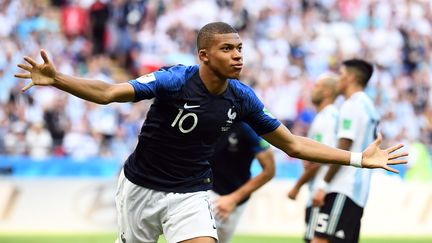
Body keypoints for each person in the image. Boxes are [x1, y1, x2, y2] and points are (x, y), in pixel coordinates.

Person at [15, 22, 407, 243]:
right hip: (140, 187)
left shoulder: (242, 97)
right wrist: (59, 80)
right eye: (227, 49)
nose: (238, 55)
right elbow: (110, 92)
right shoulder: (173, 80)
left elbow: (292, 144)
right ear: (204, 56)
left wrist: (360, 158)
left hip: (191, 192)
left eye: (239, 48)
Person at [311, 59, 381, 243]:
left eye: (341, 75)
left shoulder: (352, 105)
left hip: (344, 186)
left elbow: (343, 148)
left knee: (319, 240)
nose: (338, 81)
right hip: (358, 189)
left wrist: (323, 184)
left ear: (350, 78)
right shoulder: (369, 106)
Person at [287, 73, 340, 243]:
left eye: (316, 86)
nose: (312, 90)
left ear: (326, 92)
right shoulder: (326, 117)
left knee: (315, 239)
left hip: (322, 192)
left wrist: (297, 186)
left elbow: (321, 158)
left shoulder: (327, 118)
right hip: (323, 190)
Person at [209, 122, 275, 243]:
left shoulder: (248, 127)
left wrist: (233, 199)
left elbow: (269, 170)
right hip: (205, 190)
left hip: (232, 197)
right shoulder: (207, 116)